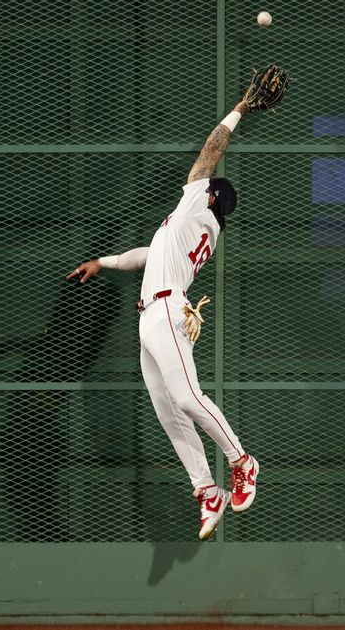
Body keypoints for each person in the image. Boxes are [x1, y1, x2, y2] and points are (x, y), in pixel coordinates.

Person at [67, 93, 263, 541]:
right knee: (168, 411)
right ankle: (206, 491)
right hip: (151, 317)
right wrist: (106, 261)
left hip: (167, 310)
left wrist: (240, 110)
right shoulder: (190, 226)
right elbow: (149, 255)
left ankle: (241, 461)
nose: (199, 179)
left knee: (189, 398)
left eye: (206, 184)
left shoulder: (197, 204)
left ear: (210, 196)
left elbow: (210, 151)